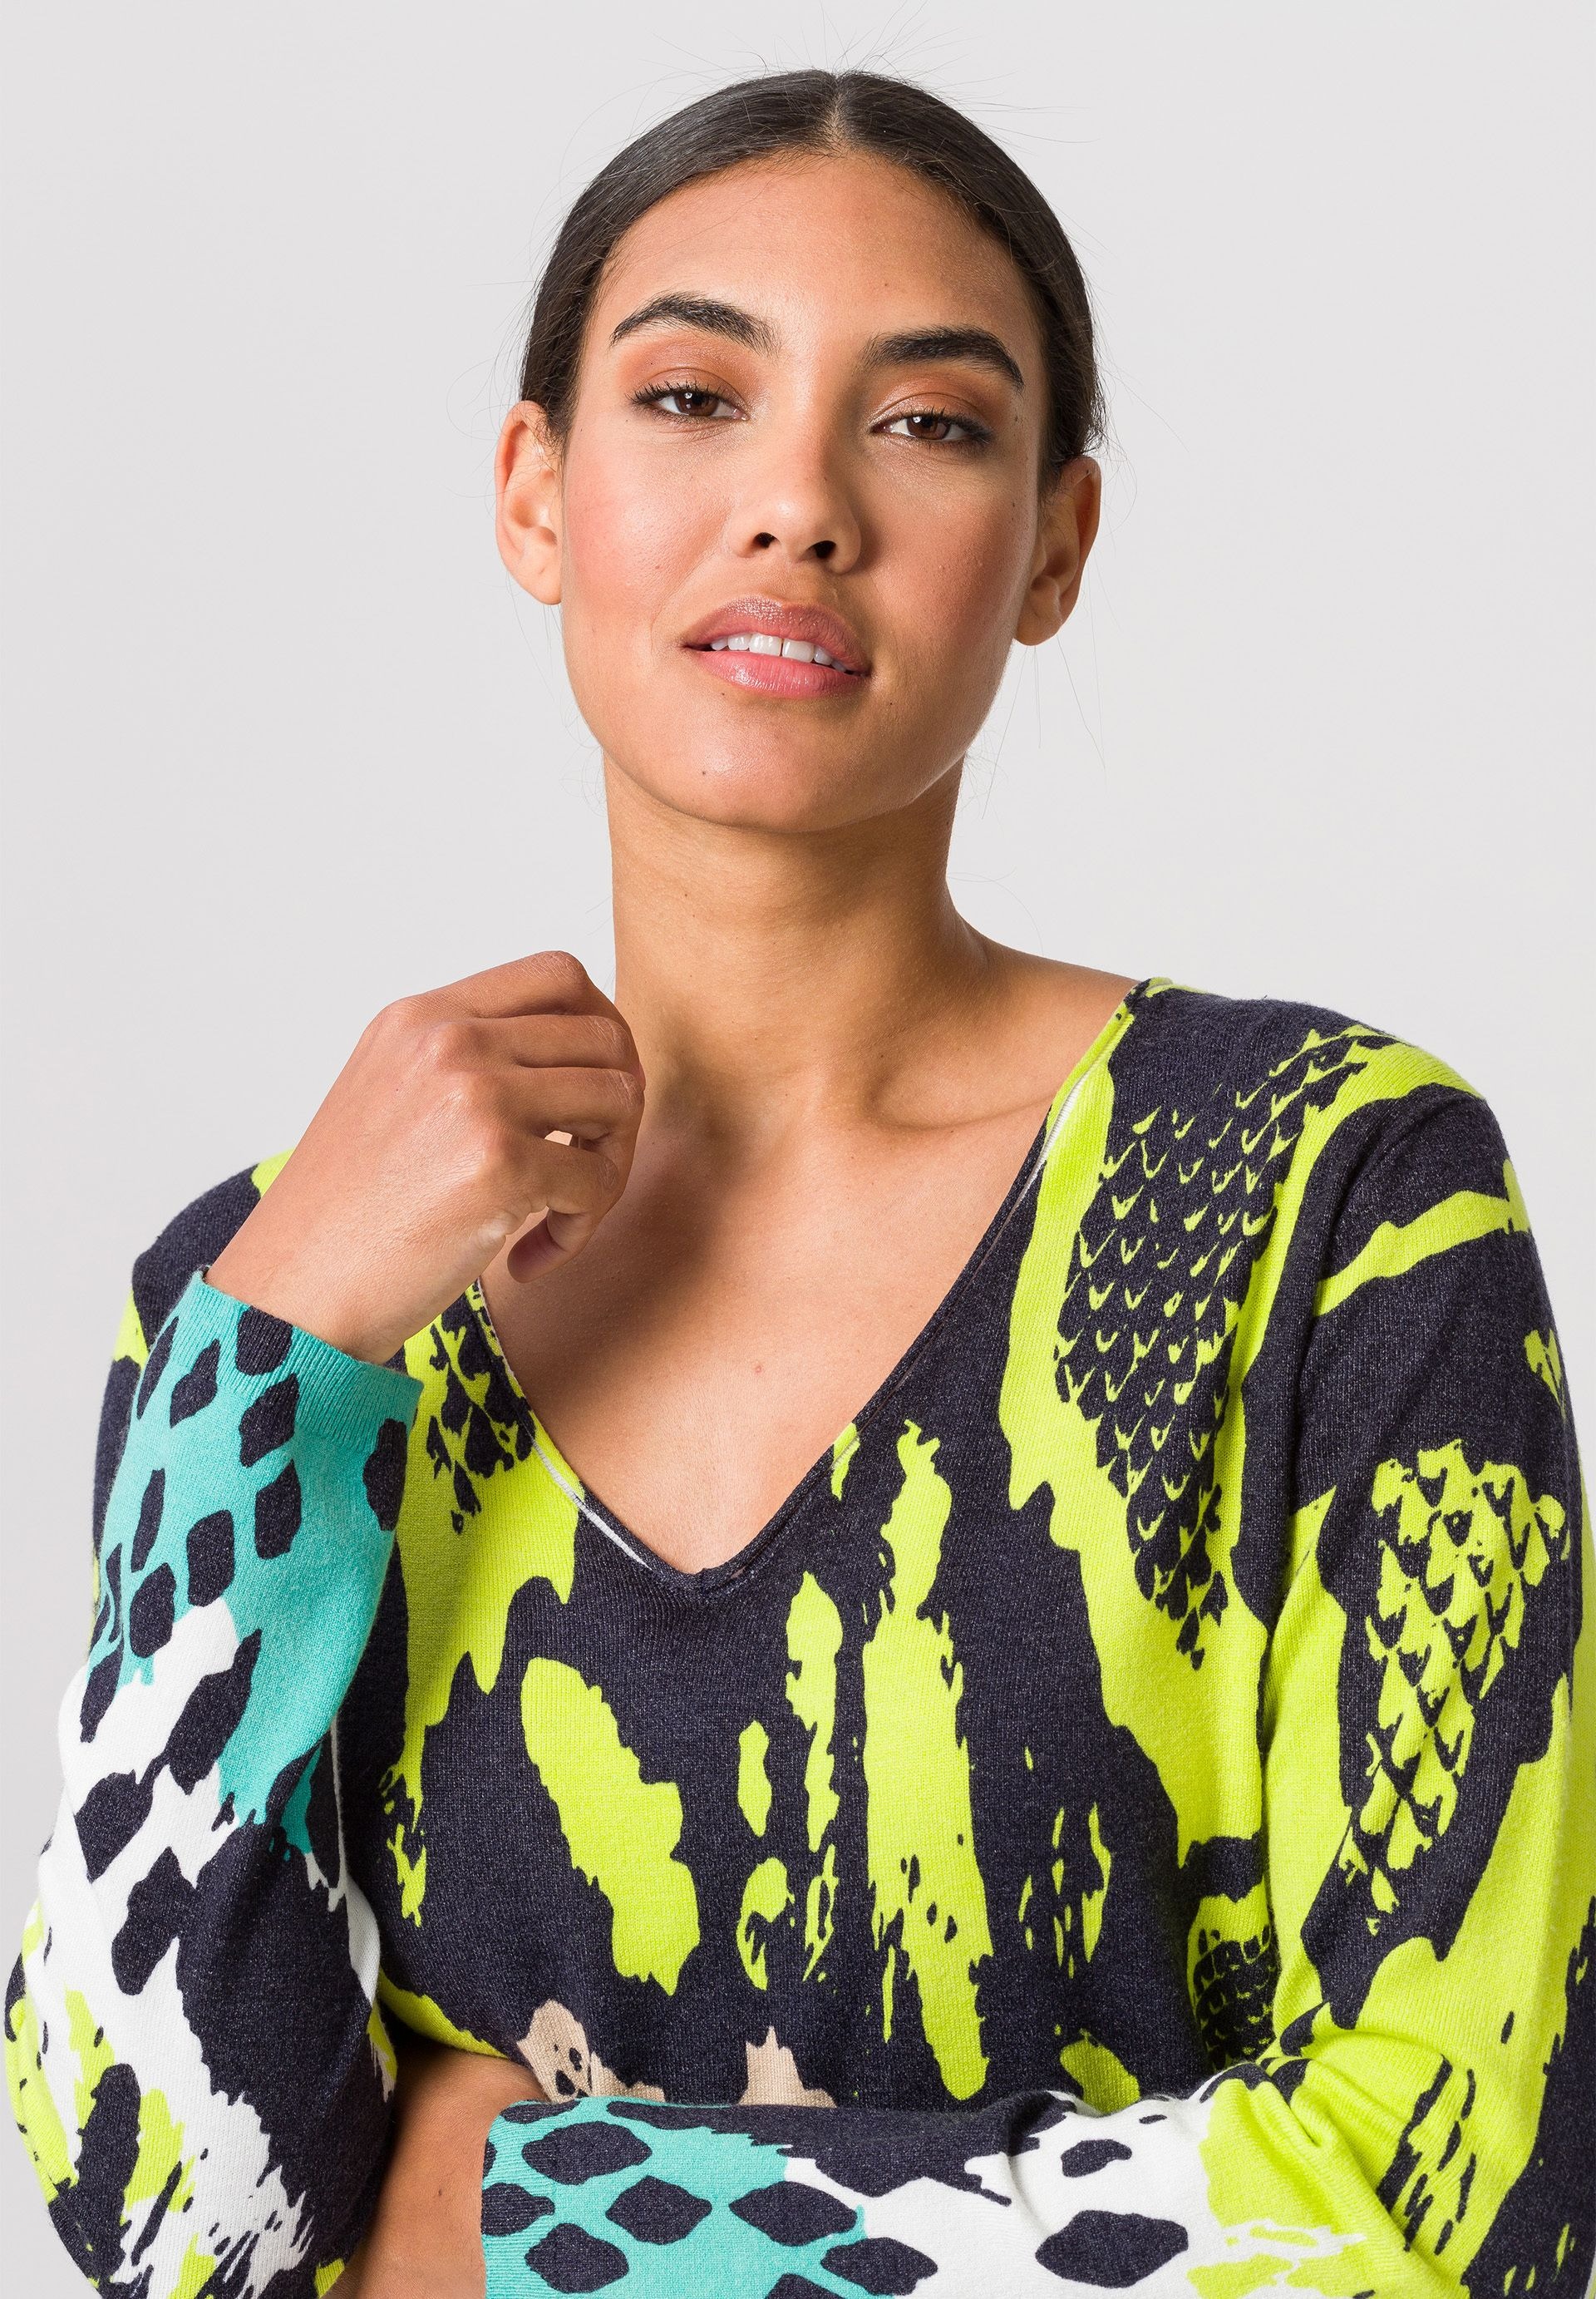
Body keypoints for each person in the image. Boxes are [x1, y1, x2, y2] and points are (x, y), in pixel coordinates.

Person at [7, 65, 1591, 2299]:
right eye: (691, 397)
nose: (797, 508)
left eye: (927, 424)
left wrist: (540, 2222)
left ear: (1054, 544)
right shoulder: (276, 1287)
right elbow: (172, 2211)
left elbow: (1467, 2196)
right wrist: (281, 1353)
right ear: (536, 491)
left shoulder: (1326, 1201)